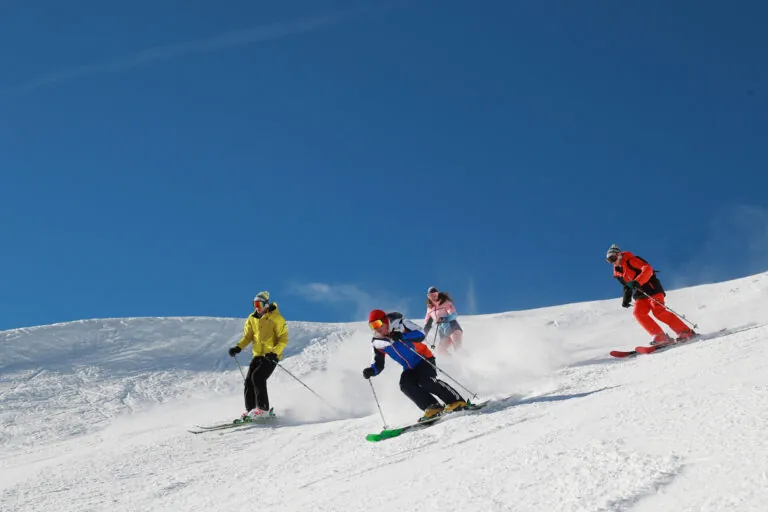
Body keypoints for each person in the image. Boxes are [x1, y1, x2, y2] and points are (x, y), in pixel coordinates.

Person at [362, 309, 466, 422]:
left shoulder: (401, 324)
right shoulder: (378, 343)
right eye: (372, 326)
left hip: (423, 358)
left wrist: (402, 336)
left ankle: (456, 401)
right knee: (405, 385)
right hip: (409, 367)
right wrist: (371, 370)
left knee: (426, 381)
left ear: (385, 320)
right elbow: (378, 363)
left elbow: (421, 334)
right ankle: (433, 407)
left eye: (377, 323)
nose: (376, 328)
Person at [606, 244, 696, 344]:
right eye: (610, 260)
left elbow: (647, 269)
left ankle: (685, 332)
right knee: (638, 313)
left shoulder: (631, 260)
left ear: (619, 255)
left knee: (658, 311)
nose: (613, 262)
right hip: (640, 294)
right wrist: (626, 299)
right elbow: (627, 286)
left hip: (652, 288)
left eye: (613, 258)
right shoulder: (618, 272)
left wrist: (637, 281)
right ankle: (660, 336)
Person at [227, 291, 288, 420]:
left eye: (259, 303)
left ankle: (263, 409)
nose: (257, 307)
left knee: (258, 377)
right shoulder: (252, 318)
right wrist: (238, 347)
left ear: (266, 304)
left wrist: (275, 353)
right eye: (254, 304)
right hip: (258, 355)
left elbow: (283, 339)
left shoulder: (276, 318)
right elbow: (248, 336)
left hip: (271, 355)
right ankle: (251, 410)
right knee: (249, 381)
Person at [423, 286, 464, 355]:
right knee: (441, 350)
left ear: (438, 294)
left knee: (457, 347)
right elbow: (428, 324)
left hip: (453, 327)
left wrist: (444, 318)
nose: (433, 297)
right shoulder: (430, 309)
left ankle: (470, 361)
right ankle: (451, 364)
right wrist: (423, 335)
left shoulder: (446, 303)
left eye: (435, 294)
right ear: (428, 296)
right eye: (431, 295)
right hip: (443, 332)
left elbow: (454, 315)